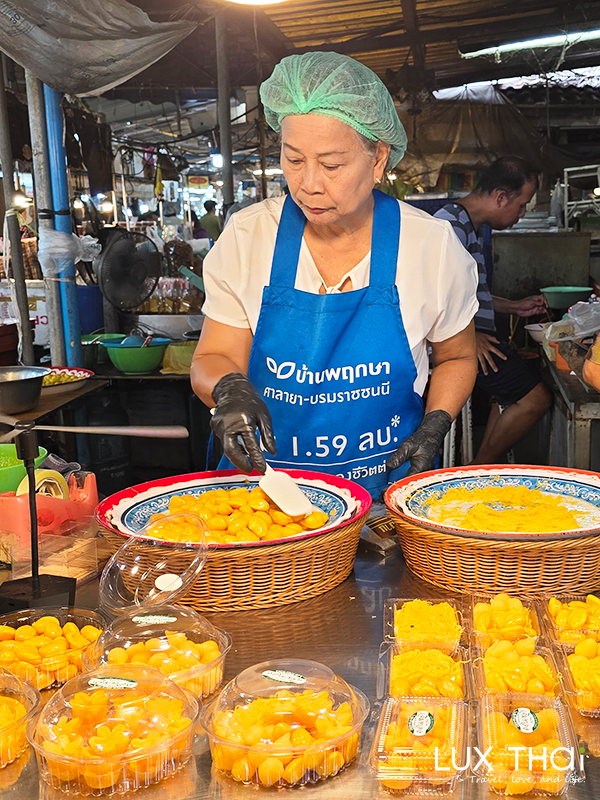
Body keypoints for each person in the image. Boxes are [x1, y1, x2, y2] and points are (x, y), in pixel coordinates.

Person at [191, 52, 479, 498]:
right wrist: (227, 390)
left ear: (379, 157)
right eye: (293, 160)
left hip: (382, 502)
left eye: (331, 165)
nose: (308, 184)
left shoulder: (431, 247)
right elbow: (213, 357)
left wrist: (436, 421)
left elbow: (458, 356)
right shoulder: (248, 238)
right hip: (257, 502)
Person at [434, 156, 553, 464]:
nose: (522, 213)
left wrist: (514, 306)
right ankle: (476, 471)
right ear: (501, 197)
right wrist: (470, 338)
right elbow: (430, 297)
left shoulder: (469, 226)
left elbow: (468, 295)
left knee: (513, 394)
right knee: (536, 399)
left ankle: (482, 465)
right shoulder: (449, 227)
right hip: (460, 347)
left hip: (476, 340)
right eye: (522, 204)